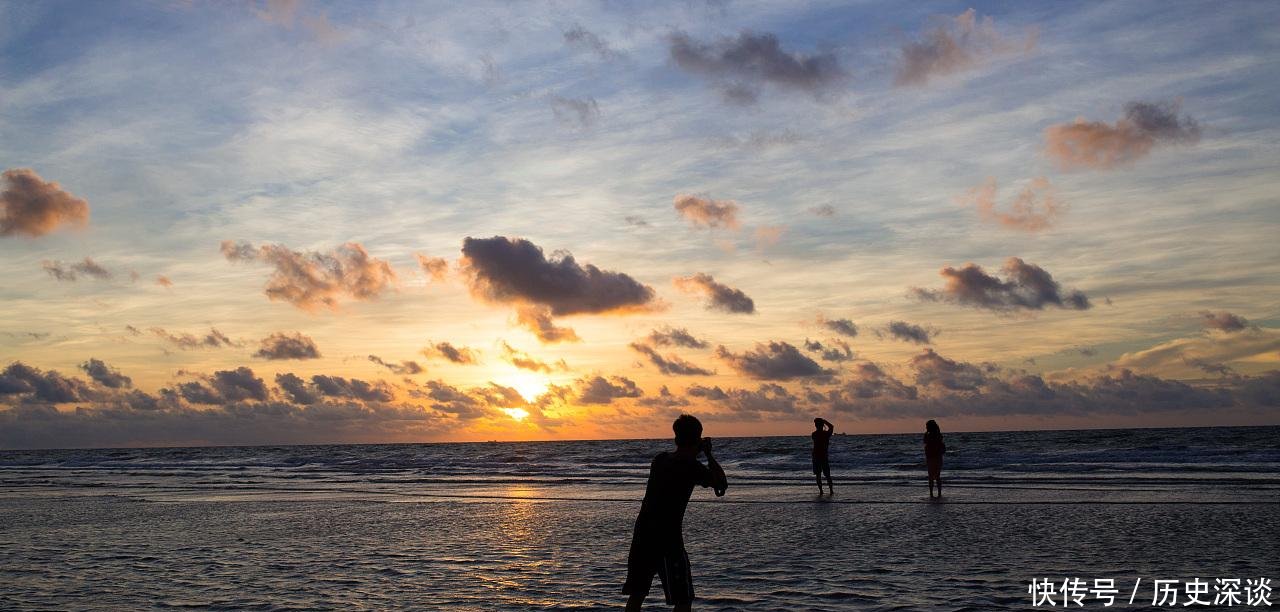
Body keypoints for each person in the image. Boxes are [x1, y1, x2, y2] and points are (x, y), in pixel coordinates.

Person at [623, 415, 728, 612]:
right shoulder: (691, 467)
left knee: (637, 595)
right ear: (697, 438)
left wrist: (696, 451)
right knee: (683, 599)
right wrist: (708, 455)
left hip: (642, 536)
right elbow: (721, 485)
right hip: (668, 541)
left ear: (676, 437)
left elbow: (680, 461)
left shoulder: (660, 460)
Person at [811, 417, 835, 495]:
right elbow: (831, 427)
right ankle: (831, 491)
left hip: (816, 456)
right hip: (823, 456)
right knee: (827, 474)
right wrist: (825, 421)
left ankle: (821, 491)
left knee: (818, 475)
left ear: (816, 425)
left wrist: (823, 422)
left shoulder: (814, 434)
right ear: (822, 425)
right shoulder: (825, 434)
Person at [924, 419, 946, 498]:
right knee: (937, 476)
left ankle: (931, 493)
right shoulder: (938, 435)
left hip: (931, 457)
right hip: (937, 457)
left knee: (931, 476)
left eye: (927, 426)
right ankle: (939, 493)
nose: (926, 427)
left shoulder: (929, 435)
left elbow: (925, 442)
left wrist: (926, 433)